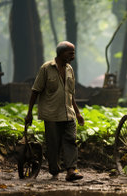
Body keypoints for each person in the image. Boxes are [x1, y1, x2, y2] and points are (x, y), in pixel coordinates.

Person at [25, 41, 84, 181]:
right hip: (51, 114)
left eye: (73, 53)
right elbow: (35, 91)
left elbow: (71, 94)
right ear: (61, 53)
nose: (73, 57)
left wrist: (77, 113)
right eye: (71, 53)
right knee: (53, 144)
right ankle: (54, 169)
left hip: (68, 113)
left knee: (71, 140)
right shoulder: (46, 68)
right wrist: (29, 113)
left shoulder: (70, 69)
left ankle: (71, 170)